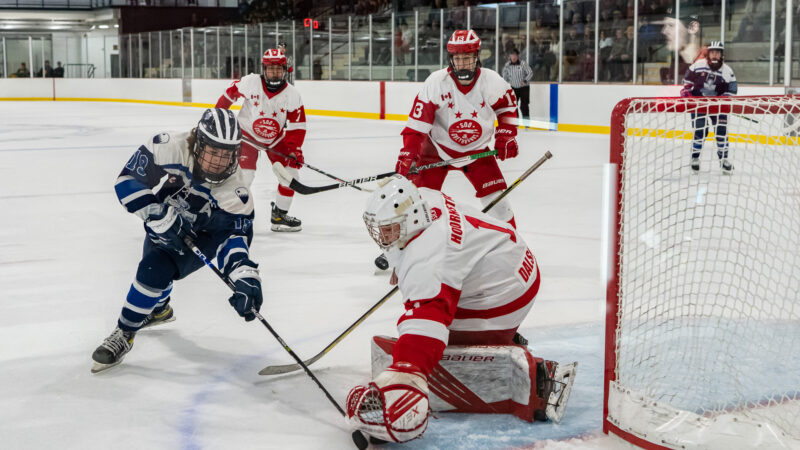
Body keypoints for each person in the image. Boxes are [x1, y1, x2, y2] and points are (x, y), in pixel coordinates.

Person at [346, 176, 575, 443]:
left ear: (412, 220)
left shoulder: (429, 259)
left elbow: (426, 324)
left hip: (505, 294)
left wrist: (407, 370)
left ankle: (527, 369)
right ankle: (496, 337)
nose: (382, 237)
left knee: (438, 344)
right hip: (510, 264)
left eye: (389, 229)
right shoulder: (425, 198)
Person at [91, 108, 262, 373]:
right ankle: (159, 309)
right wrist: (158, 214)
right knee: (156, 266)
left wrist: (244, 278)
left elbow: (233, 239)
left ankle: (124, 332)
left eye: (226, 154)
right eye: (213, 151)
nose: (219, 162)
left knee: (153, 268)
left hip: (203, 234)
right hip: (166, 213)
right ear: (198, 143)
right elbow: (127, 181)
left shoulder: (236, 192)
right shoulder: (169, 146)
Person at [396, 29, 520, 229]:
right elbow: (416, 126)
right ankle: (409, 248)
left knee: (500, 205)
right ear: (450, 59)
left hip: (477, 152)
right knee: (420, 206)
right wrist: (408, 152)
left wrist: (506, 136)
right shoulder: (437, 83)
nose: (462, 63)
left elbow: (507, 109)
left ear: (477, 57)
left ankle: (512, 246)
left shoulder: (492, 82)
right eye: (457, 58)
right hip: (436, 151)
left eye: (467, 58)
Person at [216, 48, 307, 232]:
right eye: (270, 68)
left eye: (278, 69)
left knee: (290, 175)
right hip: (247, 136)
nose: (275, 72)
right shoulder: (251, 82)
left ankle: (279, 216)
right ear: (263, 69)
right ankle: (231, 216)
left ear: (285, 70)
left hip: (275, 139)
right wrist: (217, 118)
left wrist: (294, 150)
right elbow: (228, 96)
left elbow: (298, 126)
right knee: (245, 176)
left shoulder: (292, 94)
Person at [681, 41, 737, 173]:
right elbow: (686, 84)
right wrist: (688, 94)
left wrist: (723, 99)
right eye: (712, 52)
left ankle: (724, 161)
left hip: (718, 107)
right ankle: (695, 159)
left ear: (721, 55)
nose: (715, 55)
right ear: (708, 54)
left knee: (721, 132)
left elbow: (732, 90)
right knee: (700, 131)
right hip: (699, 105)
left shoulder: (728, 71)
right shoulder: (697, 65)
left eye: (718, 52)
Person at [502, 49, 533, 123]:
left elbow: (530, 72)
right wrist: (506, 83)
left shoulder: (523, 64)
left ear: (518, 56)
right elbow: (504, 75)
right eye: (512, 55)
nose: (513, 57)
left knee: (524, 106)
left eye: (515, 55)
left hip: (524, 88)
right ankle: (516, 122)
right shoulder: (507, 65)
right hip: (513, 88)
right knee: (514, 106)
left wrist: (525, 81)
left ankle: (526, 123)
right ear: (510, 56)